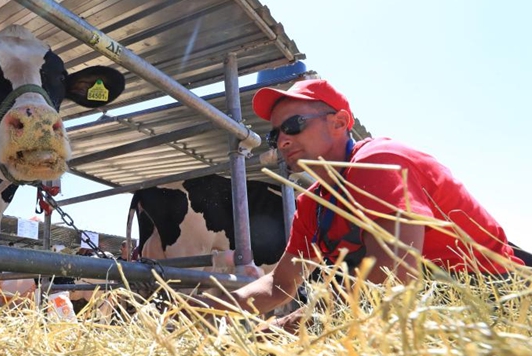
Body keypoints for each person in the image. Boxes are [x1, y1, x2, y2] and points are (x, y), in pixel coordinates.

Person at [204, 79, 524, 328]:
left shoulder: (378, 163)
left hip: (487, 302)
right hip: (410, 311)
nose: (283, 140)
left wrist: (294, 325)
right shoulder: (313, 203)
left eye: (294, 125)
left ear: (340, 122)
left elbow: (394, 278)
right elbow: (280, 283)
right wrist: (206, 312)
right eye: (275, 136)